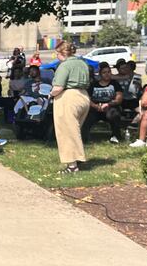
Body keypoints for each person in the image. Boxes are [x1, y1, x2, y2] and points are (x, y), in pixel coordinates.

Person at [50, 41, 91, 173]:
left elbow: (58, 87)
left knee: (67, 132)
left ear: (62, 53)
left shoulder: (64, 66)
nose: (56, 56)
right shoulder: (83, 64)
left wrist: (50, 94)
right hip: (84, 96)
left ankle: (72, 166)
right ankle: (77, 158)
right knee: (75, 130)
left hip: (69, 97)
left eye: (57, 53)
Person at [82, 64, 124, 144]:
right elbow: (87, 99)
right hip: (95, 108)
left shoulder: (115, 84)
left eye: (109, 72)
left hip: (110, 107)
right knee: (87, 117)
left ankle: (115, 136)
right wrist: (95, 106)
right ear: (100, 74)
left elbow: (119, 99)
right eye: (104, 72)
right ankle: (84, 138)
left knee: (114, 115)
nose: (107, 74)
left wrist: (108, 104)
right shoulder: (94, 85)